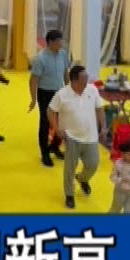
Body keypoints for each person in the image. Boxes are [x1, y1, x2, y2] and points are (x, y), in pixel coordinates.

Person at [49, 63, 107, 209]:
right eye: (83, 80)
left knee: (93, 164)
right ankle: (69, 195)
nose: (87, 83)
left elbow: (99, 109)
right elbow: (50, 111)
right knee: (70, 168)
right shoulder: (62, 94)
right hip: (71, 137)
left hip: (90, 136)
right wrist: (56, 129)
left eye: (87, 79)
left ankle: (82, 178)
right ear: (74, 81)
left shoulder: (92, 90)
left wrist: (103, 127)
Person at [27, 30, 74, 167]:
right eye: (59, 41)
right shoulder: (40, 58)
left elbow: (65, 73)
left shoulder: (63, 54)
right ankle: (45, 153)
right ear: (50, 42)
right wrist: (33, 99)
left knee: (62, 121)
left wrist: (69, 90)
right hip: (45, 94)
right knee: (45, 123)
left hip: (60, 92)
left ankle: (55, 146)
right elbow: (33, 80)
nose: (61, 43)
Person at [109, 140, 130, 214]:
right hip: (120, 191)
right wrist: (121, 180)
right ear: (123, 154)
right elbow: (112, 177)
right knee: (115, 209)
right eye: (129, 154)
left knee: (128, 211)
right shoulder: (118, 164)